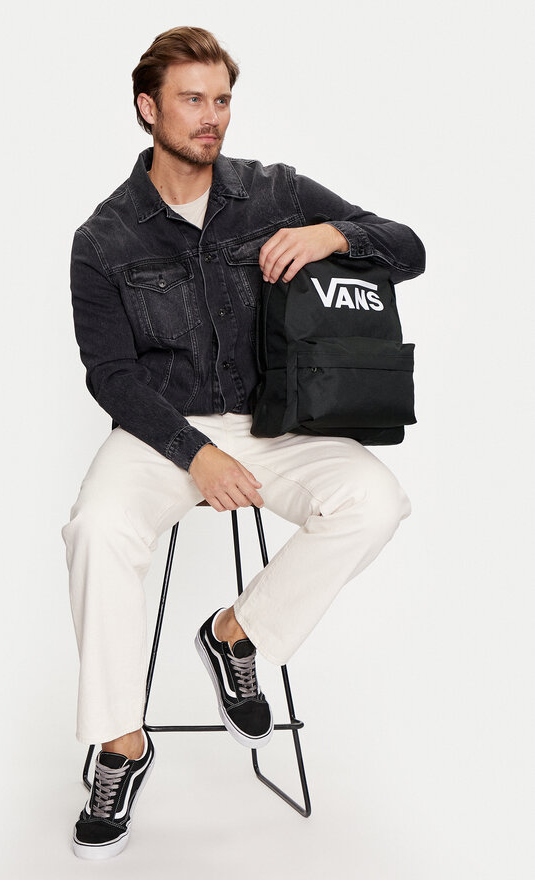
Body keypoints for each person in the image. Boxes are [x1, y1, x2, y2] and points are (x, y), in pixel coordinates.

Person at [61, 26, 425, 860]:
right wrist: (195, 453)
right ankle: (120, 744)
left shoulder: (275, 192)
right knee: (97, 530)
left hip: (274, 422)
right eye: (192, 99)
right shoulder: (104, 238)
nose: (211, 116)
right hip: (163, 431)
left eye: (221, 99)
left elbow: (408, 248)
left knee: (375, 500)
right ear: (147, 108)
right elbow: (110, 375)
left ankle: (237, 634)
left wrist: (334, 236)